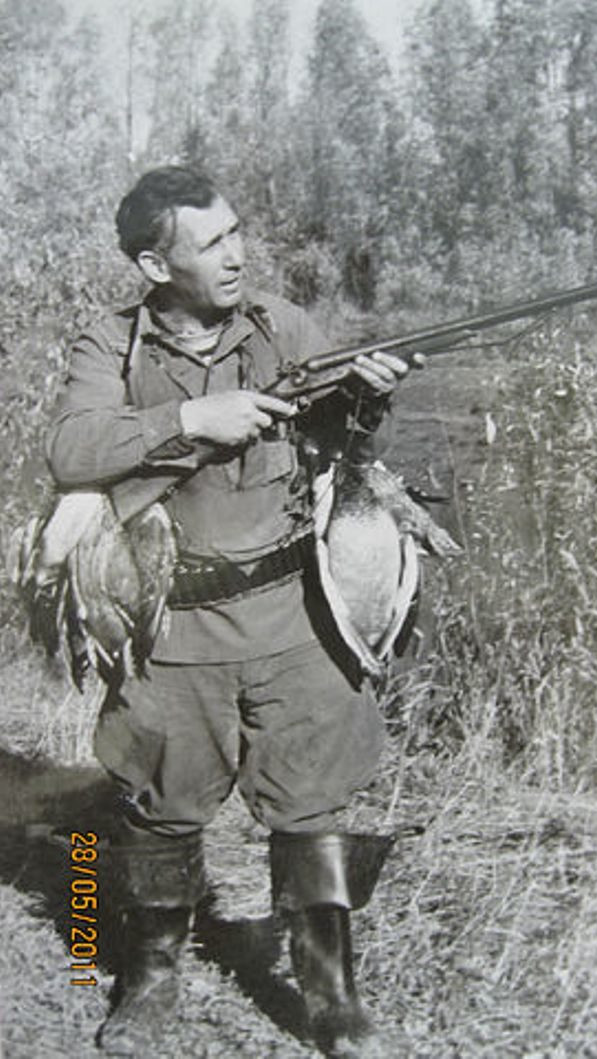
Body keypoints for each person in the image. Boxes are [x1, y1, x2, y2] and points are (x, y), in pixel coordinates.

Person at [45, 165, 411, 1057]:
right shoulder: (111, 346)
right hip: (170, 628)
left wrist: (366, 398)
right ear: (153, 265)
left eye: (237, 232)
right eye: (211, 243)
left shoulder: (281, 325)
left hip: (295, 619)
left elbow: (340, 441)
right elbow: (72, 448)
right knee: (159, 804)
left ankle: (332, 998)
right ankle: (145, 980)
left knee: (312, 806)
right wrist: (192, 418)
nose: (238, 253)